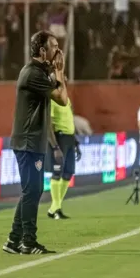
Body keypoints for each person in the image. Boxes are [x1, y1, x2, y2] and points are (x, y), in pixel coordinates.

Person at [2, 30, 68, 255]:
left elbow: (60, 89)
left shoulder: (38, 71)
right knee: (32, 190)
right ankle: (28, 242)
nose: (58, 51)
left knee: (31, 190)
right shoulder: (32, 73)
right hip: (28, 141)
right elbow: (62, 99)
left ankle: (13, 240)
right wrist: (59, 70)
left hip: (31, 141)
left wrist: (56, 71)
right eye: (54, 46)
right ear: (42, 50)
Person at [47, 76, 81, 219]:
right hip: (59, 137)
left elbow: (69, 121)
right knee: (57, 173)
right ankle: (56, 208)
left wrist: (75, 142)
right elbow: (49, 124)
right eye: (63, 81)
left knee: (68, 173)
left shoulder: (66, 100)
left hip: (69, 138)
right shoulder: (52, 100)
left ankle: (55, 207)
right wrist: (54, 146)